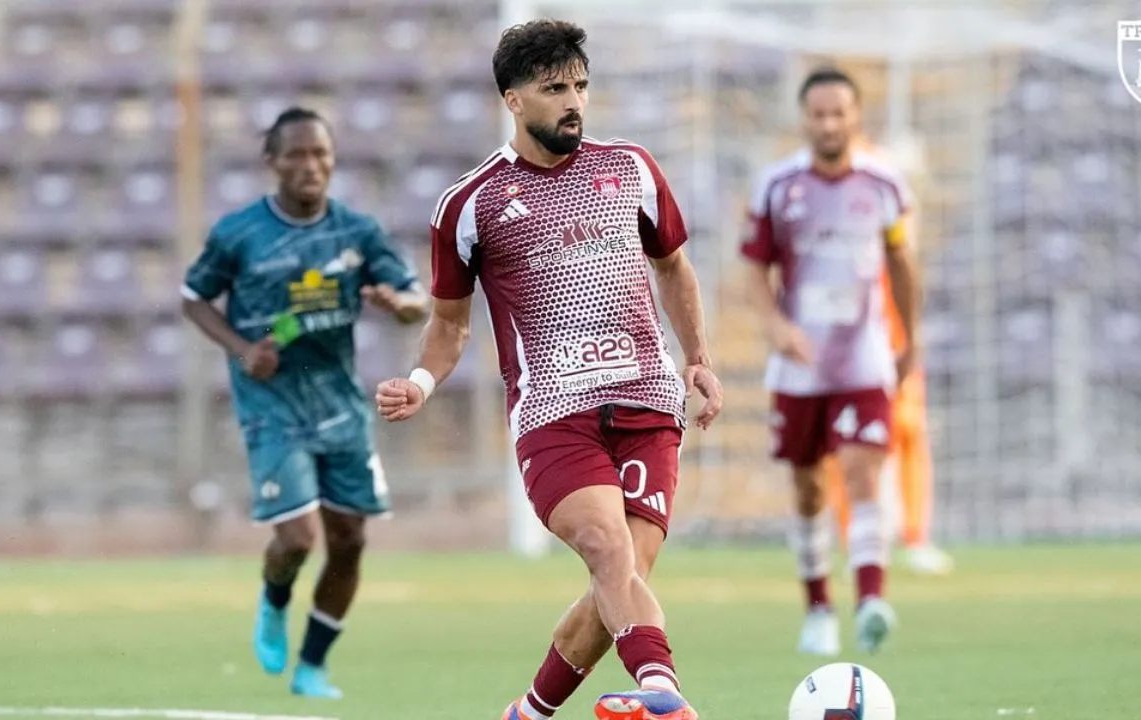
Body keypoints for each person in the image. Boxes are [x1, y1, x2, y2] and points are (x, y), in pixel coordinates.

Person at [374, 19, 722, 720]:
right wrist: (420, 382)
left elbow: (673, 268)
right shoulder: (470, 204)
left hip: (649, 401)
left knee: (622, 576)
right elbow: (449, 324)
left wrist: (698, 360)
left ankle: (529, 714)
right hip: (555, 414)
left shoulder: (631, 168)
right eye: (555, 88)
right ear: (513, 99)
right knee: (605, 546)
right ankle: (663, 692)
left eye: (581, 86)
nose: (574, 102)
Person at [180, 107, 427, 699]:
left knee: (350, 540)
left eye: (321, 153)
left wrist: (403, 306)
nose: (311, 165)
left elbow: (417, 298)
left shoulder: (357, 232)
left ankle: (312, 666)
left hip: (340, 406)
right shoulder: (239, 233)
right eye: (296, 154)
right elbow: (193, 298)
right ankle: (274, 601)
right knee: (296, 540)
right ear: (273, 162)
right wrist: (243, 349)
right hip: (272, 406)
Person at [739, 67, 922, 657]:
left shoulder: (884, 184)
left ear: (856, 116)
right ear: (804, 120)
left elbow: (902, 263)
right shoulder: (777, 186)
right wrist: (775, 327)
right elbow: (754, 269)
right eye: (818, 114)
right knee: (808, 487)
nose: (828, 124)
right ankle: (818, 607)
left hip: (863, 357)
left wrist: (910, 338)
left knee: (865, 474)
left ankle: (871, 601)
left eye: (838, 113)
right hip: (801, 365)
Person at [826, 260, 954, 576]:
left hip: (896, 351)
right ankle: (856, 542)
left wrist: (910, 343)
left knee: (909, 434)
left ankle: (915, 537)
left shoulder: (890, 248)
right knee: (850, 446)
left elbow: (904, 274)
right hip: (850, 354)